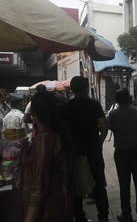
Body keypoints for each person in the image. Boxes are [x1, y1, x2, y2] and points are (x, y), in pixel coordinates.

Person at [15, 91, 74, 222]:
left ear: (33, 113)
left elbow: (39, 188)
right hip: (63, 201)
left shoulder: (44, 140)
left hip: (48, 210)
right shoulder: (61, 129)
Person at [59, 76, 109, 222]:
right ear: (87, 87)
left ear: (72, 89)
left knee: (75, 186)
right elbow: (103, 124)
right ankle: (104, 216)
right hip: (93, 150)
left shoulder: (64, 108)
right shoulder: (93, 104)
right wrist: (100, 142)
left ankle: (80, 217)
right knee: (99, 184)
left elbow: (61, 130)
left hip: (73, 152)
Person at [108, 88, 137, 222]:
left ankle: (126, 213)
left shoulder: (112, 114)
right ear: (129, 99)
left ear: (116, 100)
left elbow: (110, 127)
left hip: (122, 153)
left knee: (124, 185)